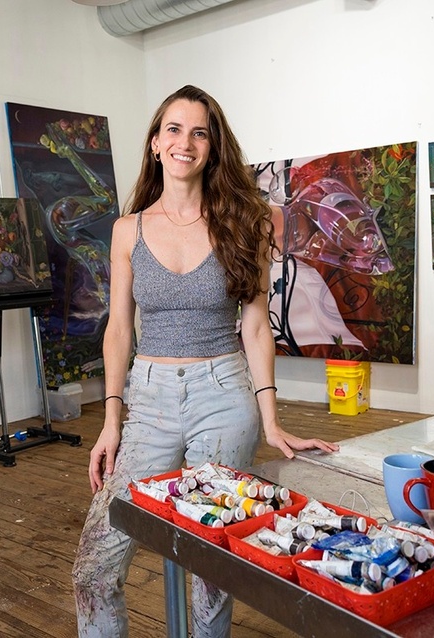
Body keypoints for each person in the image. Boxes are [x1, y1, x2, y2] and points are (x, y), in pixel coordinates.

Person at [71, 85, 340, 637]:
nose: (185, 142)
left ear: (212, 148)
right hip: (148, 399)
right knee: (94, 568)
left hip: (223, 395)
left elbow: (257, 325)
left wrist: (271, 419)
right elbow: (119, 330)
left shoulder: (248, 222)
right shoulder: (129, 230)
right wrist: (111, 420)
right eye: (174, 129)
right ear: (154, 143)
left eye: (199, 132)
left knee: (210, 577)